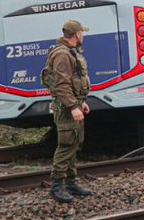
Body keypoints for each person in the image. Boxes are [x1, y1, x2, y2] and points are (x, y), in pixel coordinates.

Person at [42, 20, 93, 203]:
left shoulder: (71, 52)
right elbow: (62, 85)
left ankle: (71, 182)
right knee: (65, 145)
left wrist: (81, 102)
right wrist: (72, 107)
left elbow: (74, 81)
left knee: (74, 143)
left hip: (75, 104)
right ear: (77, 35)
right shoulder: (63, 55)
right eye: (82, 33)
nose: (83, 36)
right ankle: (57, 186)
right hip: (66, 108)